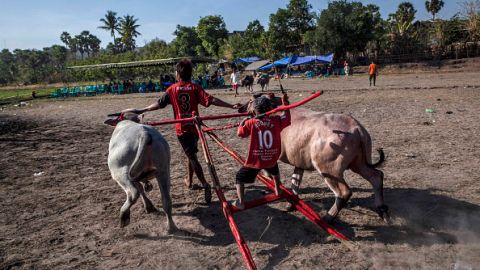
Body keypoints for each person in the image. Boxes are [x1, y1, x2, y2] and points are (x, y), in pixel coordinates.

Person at [122, 59, 241, 204]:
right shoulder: (195, 87)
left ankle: (205, 184)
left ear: (178, 73)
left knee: (192, 157)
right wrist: (231, 106)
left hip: (182, 129)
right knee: (190, 154)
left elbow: (159, 104)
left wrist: (144, 109)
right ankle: (189, 181)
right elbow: (211, 100)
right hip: (195, 127)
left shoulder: (172, 89)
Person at [232, 93, 291, 210]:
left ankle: (240, 201)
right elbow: (287, 118)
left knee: (239, 177)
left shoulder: (251, 122)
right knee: (274, 169)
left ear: (254, 111)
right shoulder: (276, 120)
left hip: (256, 161)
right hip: (272, 158)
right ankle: (278, 189)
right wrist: (286, 104)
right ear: (270, 109)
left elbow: (240, 133)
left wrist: (242, 123)